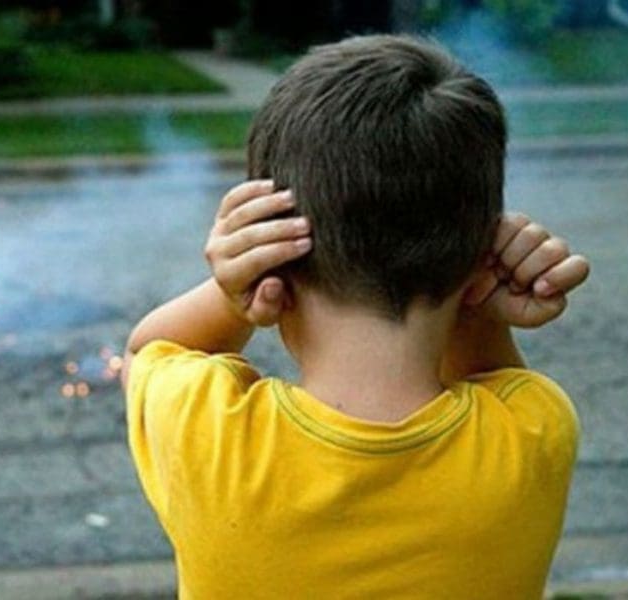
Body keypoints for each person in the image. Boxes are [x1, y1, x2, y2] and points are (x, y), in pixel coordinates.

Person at [119, 35, 590, 599]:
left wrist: (228, 295)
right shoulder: (536, 431)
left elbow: (147, 352)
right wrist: (481, 302)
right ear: (478, 256)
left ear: (274, 259)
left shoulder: (207, 432)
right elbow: (492, 381)